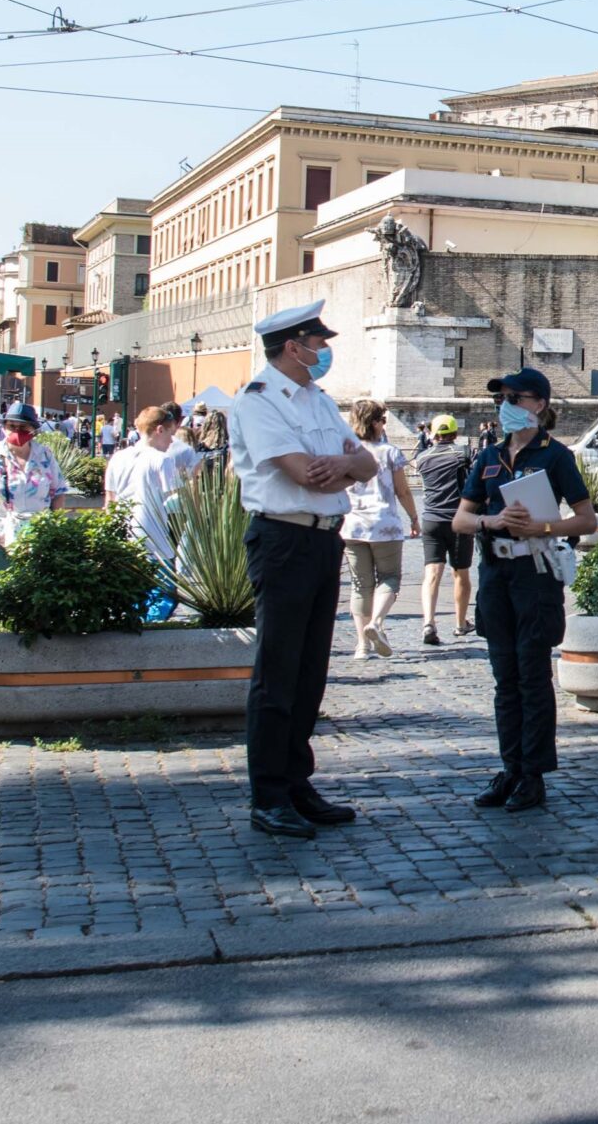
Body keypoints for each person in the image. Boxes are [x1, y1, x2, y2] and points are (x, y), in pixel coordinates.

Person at [228, 301, 375, 839]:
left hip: (322, 539)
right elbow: (304, 474)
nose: (323, 351)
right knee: (278, 668)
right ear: (294, 346)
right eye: (318, 342)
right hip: (283, 537)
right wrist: (344, 469)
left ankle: (296, 781)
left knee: (311, 667)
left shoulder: (318, 400)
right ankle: (267, 793)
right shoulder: (260, 400)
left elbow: (369, 464)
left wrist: (343, 466)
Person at [452, 367, 593, 813]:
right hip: (496, 572)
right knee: (503, 677)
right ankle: (509, 766)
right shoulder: (489, 455)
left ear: (540, 405)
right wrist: (492, 521)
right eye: (502, 399)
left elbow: (586, 519)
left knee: (532, 676)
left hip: (535, 571)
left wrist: (542, 526)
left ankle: (533, 773)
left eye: (516, 397)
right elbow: (460, 519)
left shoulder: (556, 456)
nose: (507, 406)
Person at [342, 399, 420, 660]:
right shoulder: (390, 452)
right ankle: (376, 622)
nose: (384, 424)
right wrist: (413, 517)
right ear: (375, 423)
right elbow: (403, 490)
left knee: (359, 584)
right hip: (384, 524)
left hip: (352, 525)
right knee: (389, 578)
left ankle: (361, 646)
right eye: (383, 420)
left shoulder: (345, 452)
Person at [0, 401, 68, 579]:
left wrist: (54, 524)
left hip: (37, 538)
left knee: (35, 591)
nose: (16, 431)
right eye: (11, 426)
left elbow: (59, 491)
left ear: (33, 429)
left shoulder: (45, 455)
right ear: (4, 427)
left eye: (23, 427)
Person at [413, 413, 475, 645]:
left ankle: (429, 621)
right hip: (458, 519)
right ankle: (460, 624)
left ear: (433, 434)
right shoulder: (463, 453)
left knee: (432, 572)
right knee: (460, 573)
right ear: (454, 434)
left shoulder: (422, 457)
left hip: (431, 518)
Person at [113, 405, 186, 569]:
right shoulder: (162, 460)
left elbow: (110, 500)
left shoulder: (118, 458)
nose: (171, 441)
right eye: (170, 434)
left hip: (122, 536)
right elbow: (177, 497)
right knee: (161, 593)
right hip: (155, 541)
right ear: (160, 430)